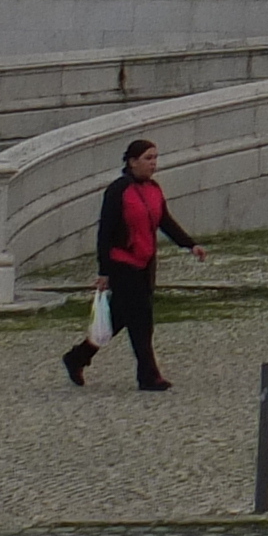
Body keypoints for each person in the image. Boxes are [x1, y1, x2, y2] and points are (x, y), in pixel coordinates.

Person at [61, 136, 204, 390]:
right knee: (141, 320)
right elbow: (105, 232)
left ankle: (77, 357)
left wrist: (190, 244)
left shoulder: (154, 189)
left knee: (117, 319)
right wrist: (104, 271)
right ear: (132, 161)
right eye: (148, 158)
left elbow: (165, 221)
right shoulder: (118, 190)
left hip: (145, 264)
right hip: (122, 263)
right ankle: (149, 376)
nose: (153, 164)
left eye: (155, 158)